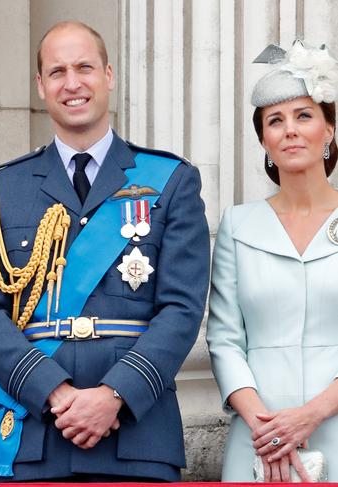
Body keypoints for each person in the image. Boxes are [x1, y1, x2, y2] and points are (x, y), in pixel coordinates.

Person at [0, 21, 210, 482]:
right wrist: (55, 393)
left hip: (136, 436)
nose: (71, 83)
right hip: (37, 433)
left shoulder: (170, 180)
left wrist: (114, 395)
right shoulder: (0, 188)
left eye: (84, 68)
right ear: (40, 86)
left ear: (109, 75)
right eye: (57, 71)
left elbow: (181, 309)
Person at [207, 41, 338, 482]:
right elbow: (224, 338)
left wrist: (310, 415)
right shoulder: (237, 225)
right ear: (263, 139)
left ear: (329, 130)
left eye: (304, 115)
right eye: (275, 121)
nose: (290, 130)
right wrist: (267, 427)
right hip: (257, 437)